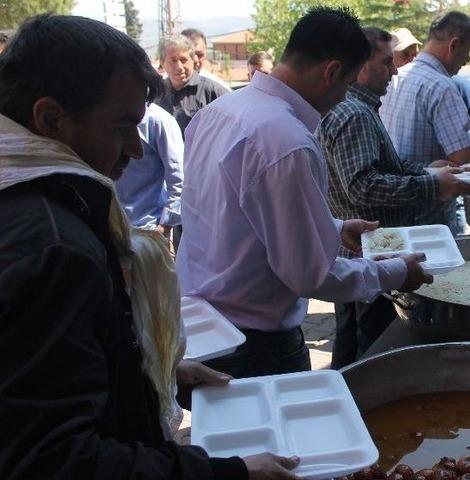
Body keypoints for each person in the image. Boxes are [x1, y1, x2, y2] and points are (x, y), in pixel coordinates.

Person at [0, 14, 300, 479]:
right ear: (51, 119)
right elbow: (54, 459)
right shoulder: (56, 248)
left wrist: (146, 369)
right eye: (122, 127)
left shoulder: (33, 201)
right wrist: (229, 473)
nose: (137, 150)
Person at [177, 7, 433, 380]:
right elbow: (311, 275)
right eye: (347, 85)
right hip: (255, 345)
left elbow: (236, 217)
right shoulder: (286, 140)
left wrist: (333, 227)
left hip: (204, 326)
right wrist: (396, 273)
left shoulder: (221, 110)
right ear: (331, 72)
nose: (344, 97)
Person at [318, 27, 470, 368]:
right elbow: (363, 186)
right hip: (372, 254)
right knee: (372, 350)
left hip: (356, 253)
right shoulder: (354, 113)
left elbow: (386, 166)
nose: (395, 71)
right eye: (387, 63)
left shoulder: (355, 108)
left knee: (348, 345)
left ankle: (346, 387)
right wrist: (433, 186)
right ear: (361, 66)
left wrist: (428, 172)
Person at [380, 12, 470, 231]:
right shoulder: (442, 86)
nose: (467, 60)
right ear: (453, 45)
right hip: (428, 211)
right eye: (468, 51)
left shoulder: (395, 75)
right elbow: (461, 153)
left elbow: (415, 127)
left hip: (394, 203)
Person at [115, 103, 183, 242]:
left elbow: (179, 178)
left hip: (148, 229)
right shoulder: (108, 115)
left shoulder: (158, 120)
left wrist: (165, 227)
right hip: (115, 227)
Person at [156, 34, 229, 135]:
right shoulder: (155, 93)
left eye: (183, 60)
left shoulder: (212, 91)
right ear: (162, 62)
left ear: (192, 60)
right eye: (173, 61)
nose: (179, 67)